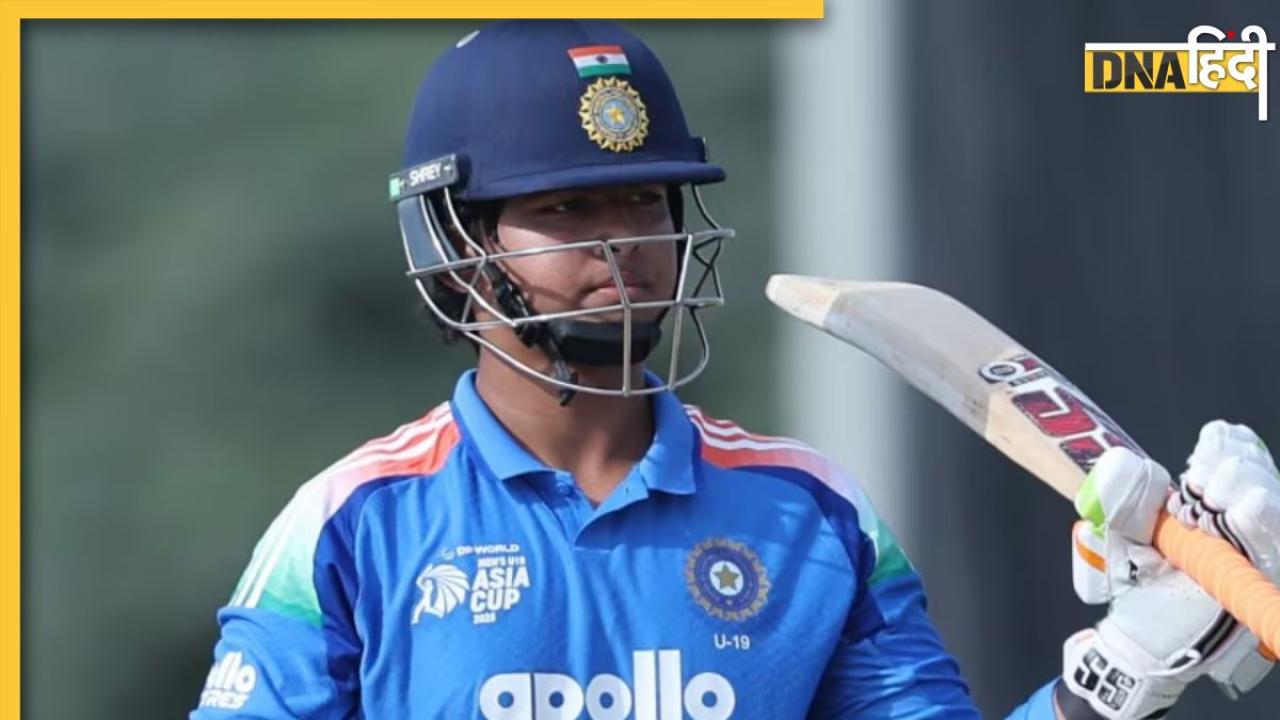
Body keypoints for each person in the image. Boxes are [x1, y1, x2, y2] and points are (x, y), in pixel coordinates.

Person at [190, 20, 1280, 719]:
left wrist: (1119, 670)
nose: (622, 241)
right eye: (566, 208)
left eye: (644, 201)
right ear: (456, 244)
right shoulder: (349, 525)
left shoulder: (809, 512)